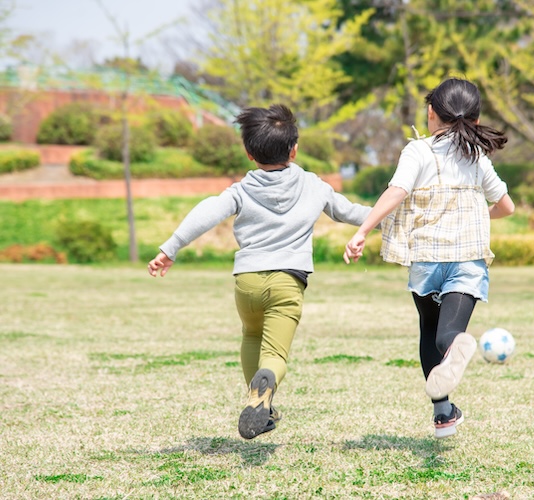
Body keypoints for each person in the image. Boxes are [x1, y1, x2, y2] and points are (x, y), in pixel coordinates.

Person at [148, 104, 371, 440]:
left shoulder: (242, 189)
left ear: (249, 153)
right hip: (288, 281)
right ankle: (263, 390)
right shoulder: (314, 185)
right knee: (275, 355)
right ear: (294, 149)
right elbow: (350, 212)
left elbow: (208, 210)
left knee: (251, 335)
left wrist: (172, 246)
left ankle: (260, 402)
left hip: (247, 282)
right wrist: (390, 216)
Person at [344, 78, 515, 438]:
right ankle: (457, 346)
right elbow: (505, 206)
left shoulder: (418, 151)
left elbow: (397, 191)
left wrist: (362, 232)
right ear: (475, 120)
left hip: (427, 259)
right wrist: (478, 216)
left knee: (428, 329)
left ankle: (443, 413)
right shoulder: (477, 157)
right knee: (449, 334)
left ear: (431, 113)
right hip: (467, 258)